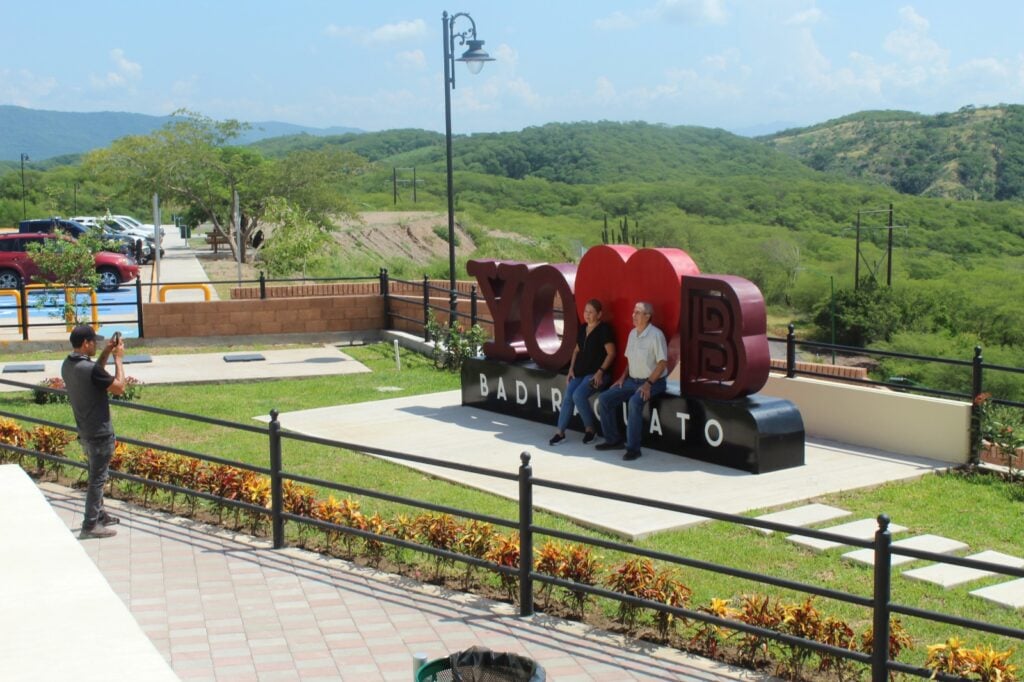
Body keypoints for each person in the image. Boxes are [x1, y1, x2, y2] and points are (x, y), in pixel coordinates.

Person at [61, 326, 126, 539]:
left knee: (95, 474)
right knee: (98, 479)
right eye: (94, 342)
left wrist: (106, 352)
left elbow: (95, 374)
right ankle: (90, 525)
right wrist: (118, 359)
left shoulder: (68, 365)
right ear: (86, 343)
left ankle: (99, 515)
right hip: (100, 432)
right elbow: (119, 387)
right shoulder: (90, 369)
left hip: (85, 430)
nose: (96, 344)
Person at [595, 301, 668, 461]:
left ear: (647, 316)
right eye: (633, 312)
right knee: (604, 399)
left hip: (654, 382)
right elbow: (631, 360)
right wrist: (622, 378)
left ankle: (634, 449)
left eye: (637, 312)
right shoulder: (632, 334)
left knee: (635, 402)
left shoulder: (656, 335)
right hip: (632, 380)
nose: (633, 315)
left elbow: (662, 363)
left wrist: (648, 384)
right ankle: (613, 440)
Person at [549, 299, 616, 446]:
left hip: (597, 374)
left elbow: (611, 353)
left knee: (578, 395)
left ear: (599, 314)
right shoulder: (583, 327)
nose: (587, 315)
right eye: (586, 311)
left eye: (591, 312)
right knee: (568, 396)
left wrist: (600, 372)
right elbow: (576, 350)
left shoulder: (604, 329)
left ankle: (590, 430)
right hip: (580, 373)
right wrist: (571, 369)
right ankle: (560, 433)